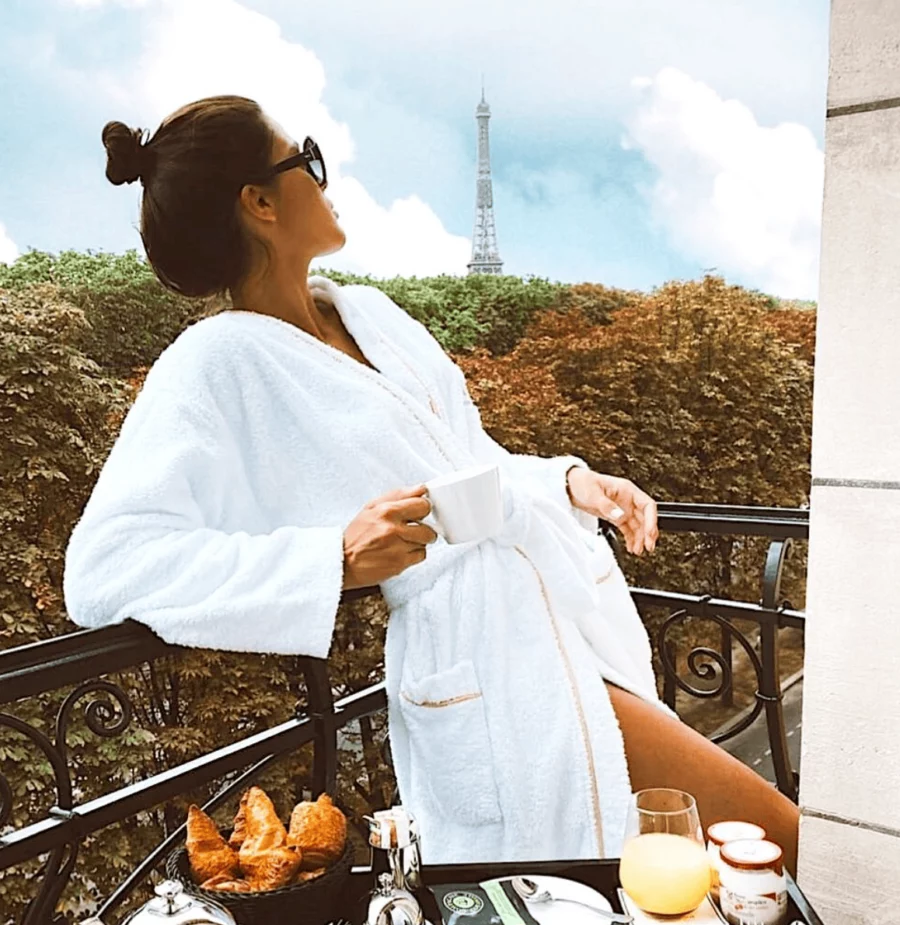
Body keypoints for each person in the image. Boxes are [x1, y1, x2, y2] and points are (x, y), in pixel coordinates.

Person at [63, 95, 799, 871]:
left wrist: (567, 482)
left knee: (658, 879)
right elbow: (107, 565)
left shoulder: (373, 316)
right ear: (260, 203)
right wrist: (329, 561)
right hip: (484, 673)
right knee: (776, 838)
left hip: (549, 629)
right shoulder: (214, 365)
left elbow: (470, 462)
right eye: (306, 157)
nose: (326, 174)